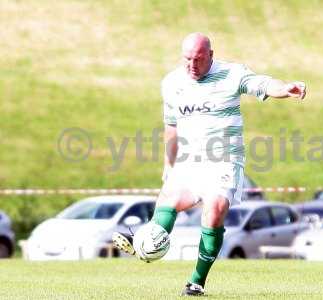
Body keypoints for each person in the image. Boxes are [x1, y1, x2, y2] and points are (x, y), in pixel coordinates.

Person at [113, 32, 306, 296]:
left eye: (199, 59)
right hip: (189, 161)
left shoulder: (231, 74)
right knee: (169, 199)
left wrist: (284, 88)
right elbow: (171, 128)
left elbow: (261, 83)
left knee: (214, 209)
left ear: (211, 56)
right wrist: (169, 165)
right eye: (188, 59)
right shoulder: (171, 83)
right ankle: (147, 242)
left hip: (224, 161)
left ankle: (196, 282)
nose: (192, 65)